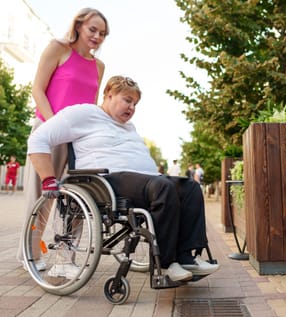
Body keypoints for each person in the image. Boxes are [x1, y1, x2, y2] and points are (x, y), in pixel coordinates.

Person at [27, 76, 220, 281]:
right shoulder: (83, 113)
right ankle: (167, 263)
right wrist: (47, 178)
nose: (132, 107)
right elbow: (38, 138)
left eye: (135, 103)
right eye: (127, 100)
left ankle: (186, 257)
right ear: (109, 94)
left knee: (189, 187)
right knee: (163, 187)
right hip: (107, 180)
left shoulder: (129, 127)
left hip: (144, 181)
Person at [18, 8, 109, 269]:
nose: (97, 36)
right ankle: (30, 253)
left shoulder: (98, 66)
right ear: (79, 26)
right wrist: (55, 123)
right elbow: (37, 88)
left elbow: (91, 104)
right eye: (93, 29)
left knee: (80, 198)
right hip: (48, 130)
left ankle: (66, 256)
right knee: (42, 196)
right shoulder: (57, 48)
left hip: (78, 138)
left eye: (102, 33)